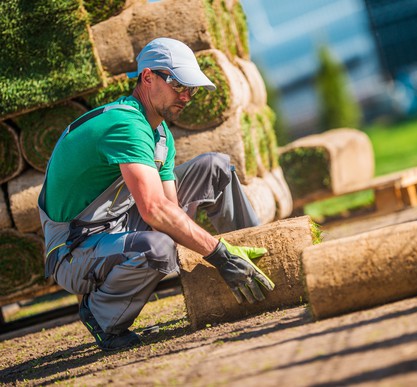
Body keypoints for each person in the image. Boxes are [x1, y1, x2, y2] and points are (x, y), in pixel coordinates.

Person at [38, 37, 275, 351]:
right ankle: (101, 315)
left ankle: (257, 267)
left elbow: (170, 208)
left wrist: (210, 250)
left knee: (215, 167)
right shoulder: (124, 124)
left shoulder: (159, 132)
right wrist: (217, 253)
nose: (187, 96)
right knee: (157, 247)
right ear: (148, 78)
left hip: (116, 224)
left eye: (192, 88)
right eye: (179, 85)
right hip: (74, 250)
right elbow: (153, 211)